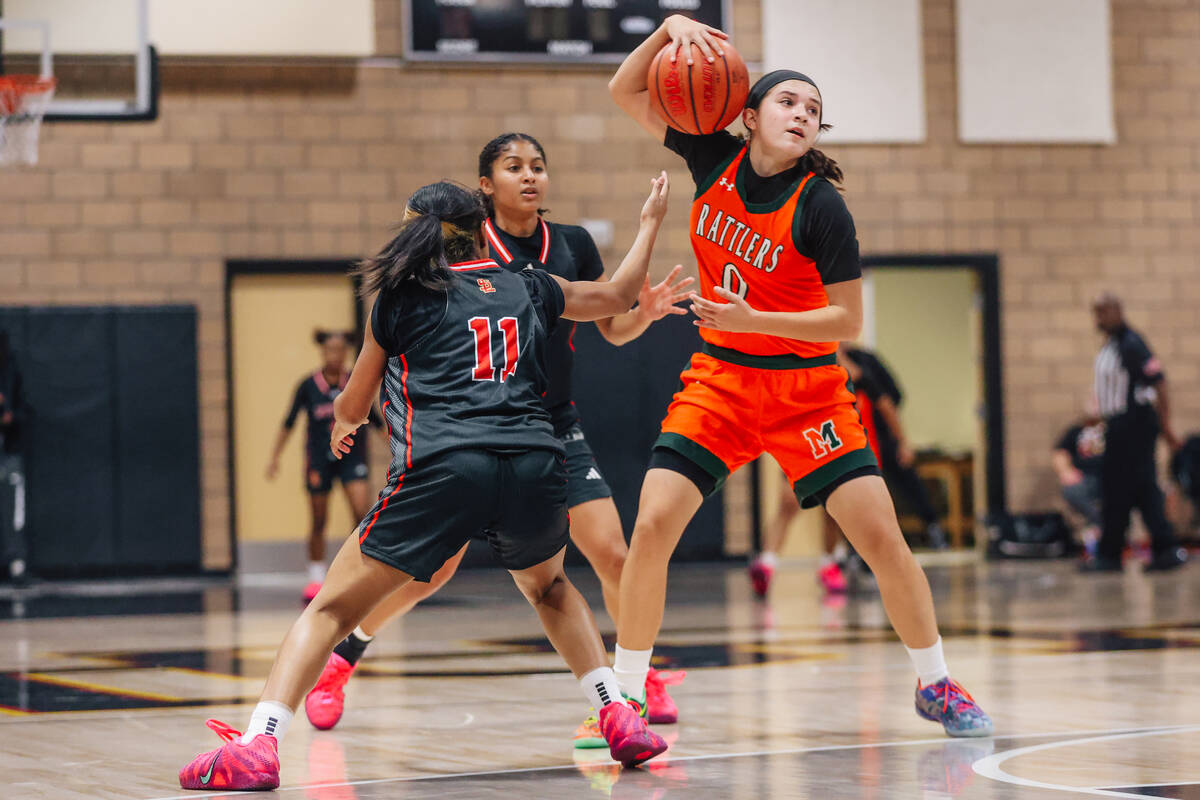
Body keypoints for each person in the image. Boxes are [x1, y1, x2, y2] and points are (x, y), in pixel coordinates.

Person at [179, 175, 672, 790]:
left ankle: (259, 742)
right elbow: (621, 294)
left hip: (445, 467)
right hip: (536, 463)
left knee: (330, 609)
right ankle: (617, 713)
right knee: (550, 590)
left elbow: (355, 403)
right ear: (480, 228)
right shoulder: (529, 282)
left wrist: (344, 426)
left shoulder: (400, 296)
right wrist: (650, 222)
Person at [606, 15, 992, 737]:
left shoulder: (823, 209)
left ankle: (936, 683)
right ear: (747, 116)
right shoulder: (709, 158)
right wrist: (667, 31)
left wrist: (756, 319)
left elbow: (846, 323)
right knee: (652, 525)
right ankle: (625, 696)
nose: (803, 115)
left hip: (805, 388)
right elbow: (625, 88)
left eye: (814, 110)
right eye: (789, 102)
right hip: (720, 379)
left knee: (882, 539)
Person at [302, 133, 692, 749]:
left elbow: (612, 324)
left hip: (549, 423)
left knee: (613, 552)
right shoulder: (460, 246)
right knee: (430, 573)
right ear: (485, 185)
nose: (530, 177)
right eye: (514, 168)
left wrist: (640, 316)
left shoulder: (571, 245)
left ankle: (635, 678)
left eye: (538, 166)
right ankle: (344, 658)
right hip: (470, 426)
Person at [749, 344, 947, 597]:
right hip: (811, 440)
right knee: (795, 505)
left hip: (829, 442)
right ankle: (786, 563)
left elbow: (886, 405)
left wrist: (902, 441)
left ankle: (805, 562)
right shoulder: (804, 364)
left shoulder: (853, 367)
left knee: (820, 509)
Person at [266, 331, 384, 601]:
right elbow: (289, 422)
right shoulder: (308, 385)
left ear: (346, 352)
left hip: (351, 457)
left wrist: (400, 450)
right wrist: (275, 457)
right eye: (330, 349)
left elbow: (376, 422)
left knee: (360, 513)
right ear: (323, 352)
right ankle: (316, 578)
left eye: (340, 350)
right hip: (318, 459)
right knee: (319, 519)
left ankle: (359, 574)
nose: (335, 355)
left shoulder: (354, 381)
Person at [1084, 293, 1187, 572]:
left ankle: (1127, 552)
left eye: (1103, 312)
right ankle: (1133, 550)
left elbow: (1159, 383)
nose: (1099, 319)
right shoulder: (1111, 346)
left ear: (1117, 311)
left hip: (1134, 427)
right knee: (1128, 490)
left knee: (1131, 488)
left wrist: (1166, 427)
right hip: (1118, 427)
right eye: (1096, 313)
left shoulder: (1132, 344)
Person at [1052, 405, 1105, 560]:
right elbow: (1059, 454)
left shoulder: (1114, 428)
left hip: (1111, 478)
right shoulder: (1075, 431)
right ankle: (1101, 524)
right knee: (1072, 490)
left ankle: (1101, 528)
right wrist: (1066, 472)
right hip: (1084, 479)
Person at [0, 329, 27, 586]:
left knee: (12, 510)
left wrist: (10, 415)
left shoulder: (11, 371)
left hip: (8, 451)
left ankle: (17, 565)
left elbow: (25, 410)